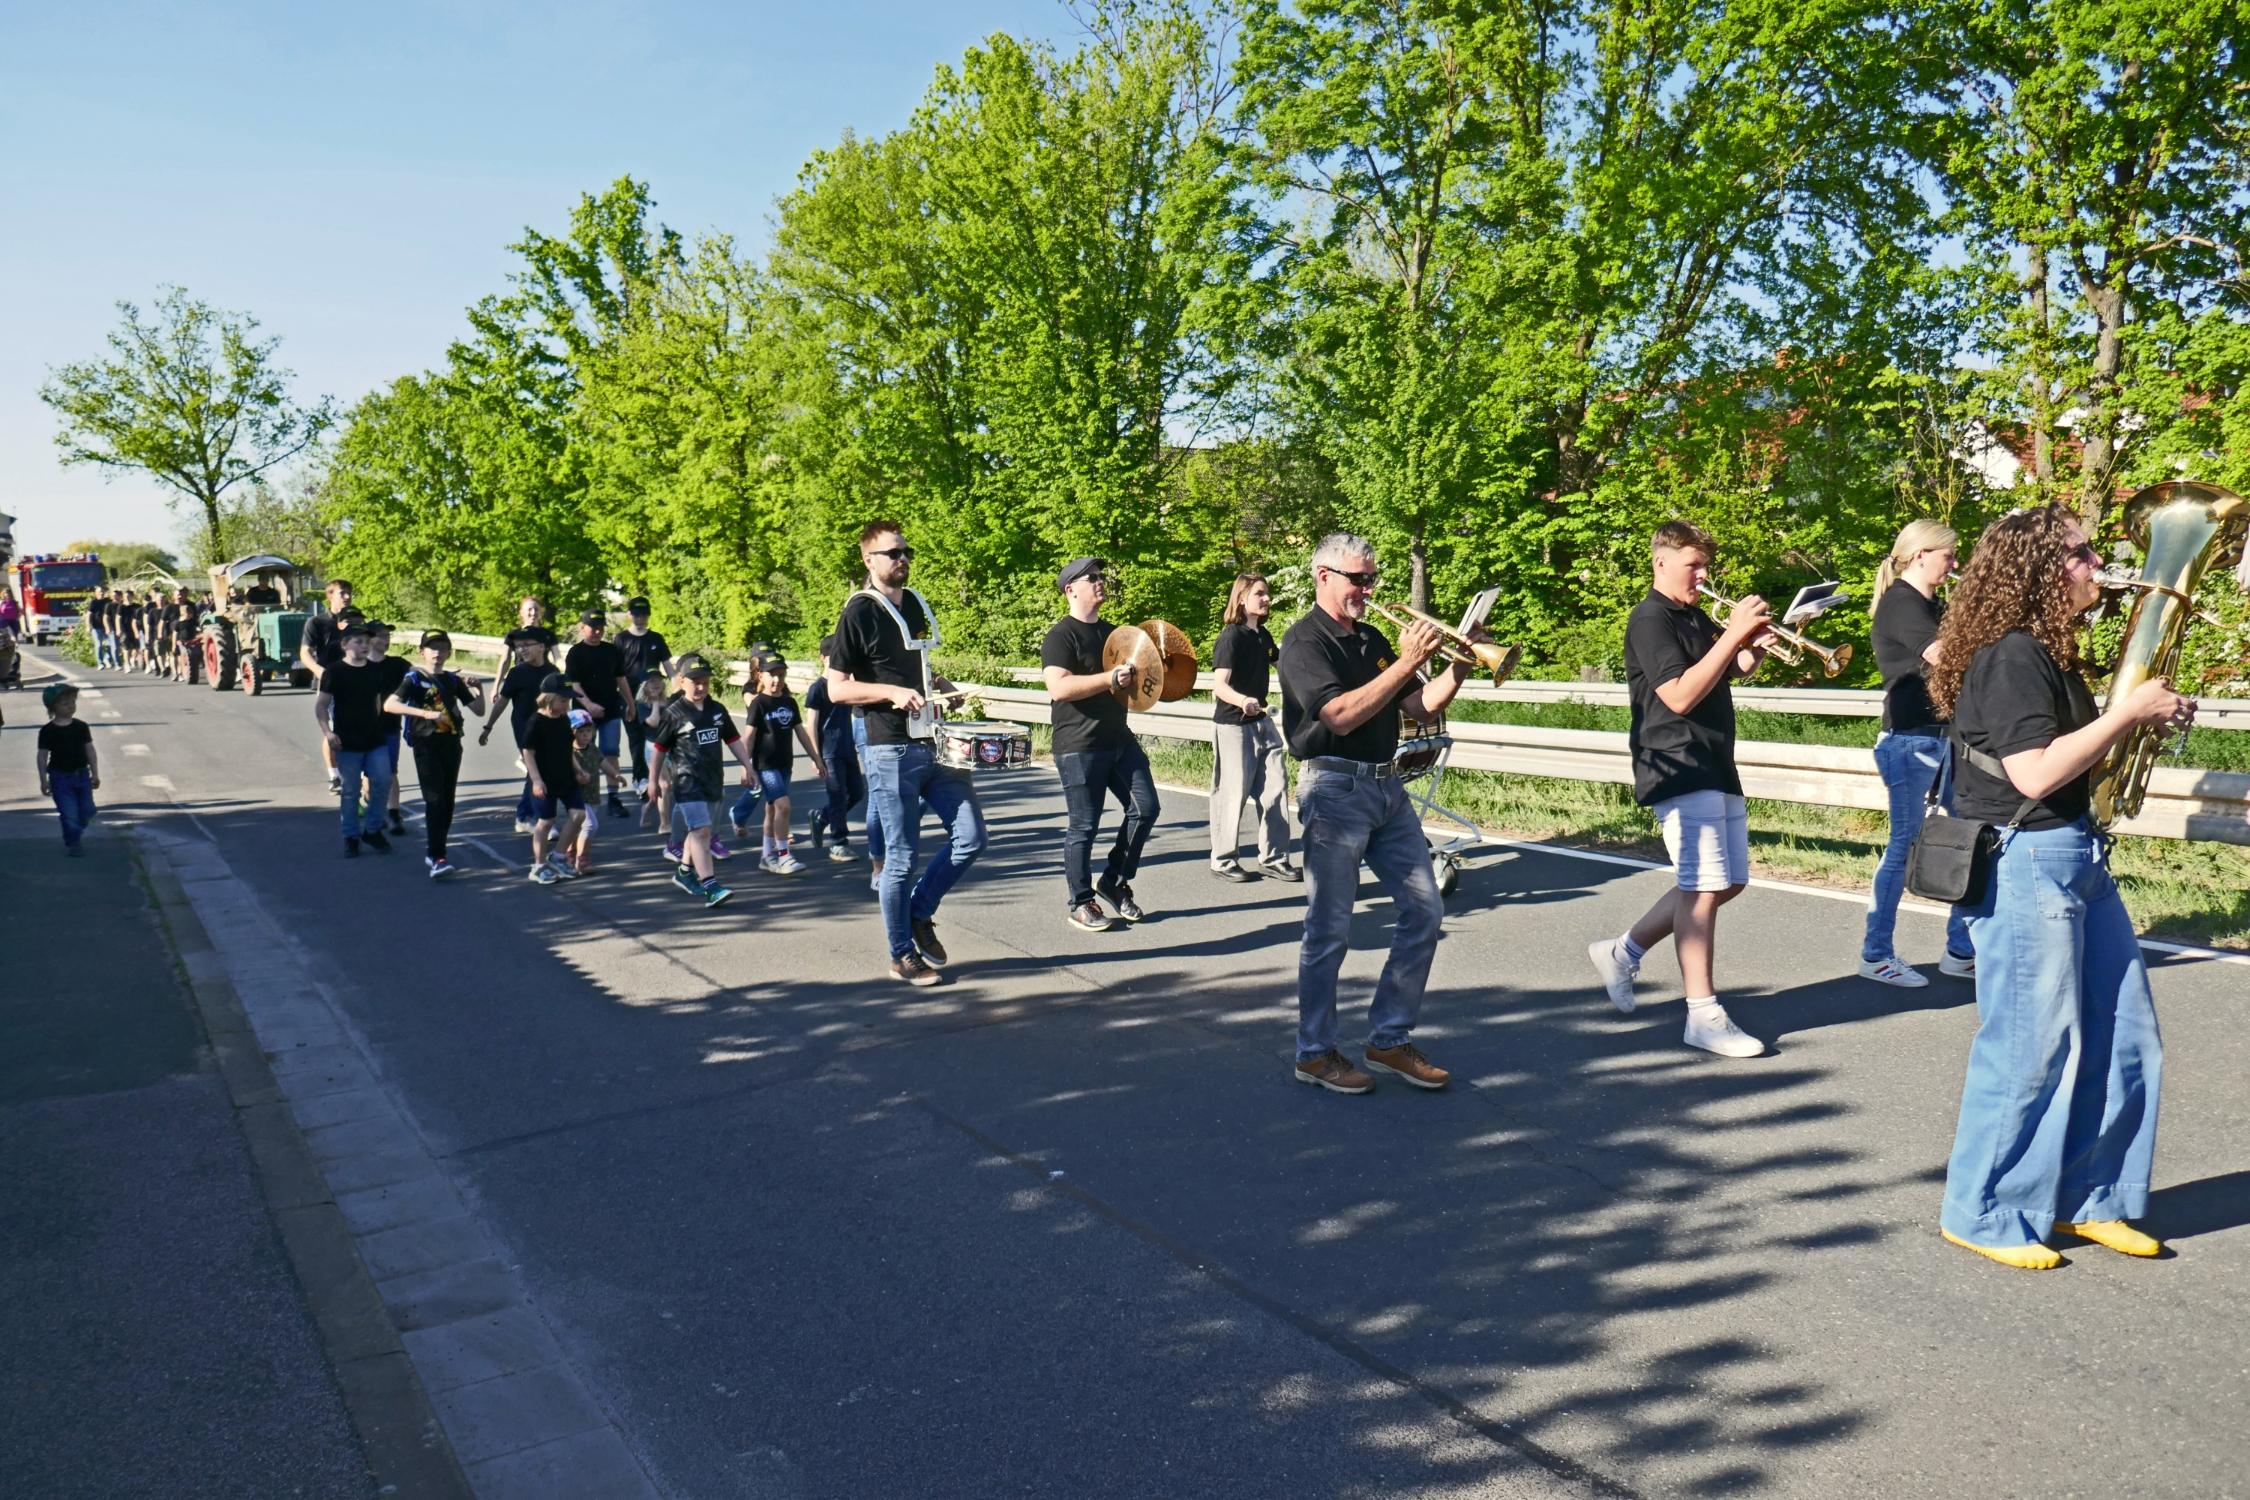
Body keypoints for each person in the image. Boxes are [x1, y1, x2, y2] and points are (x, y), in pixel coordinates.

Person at [1927, 504, 2190, 1271]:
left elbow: (2079, 761)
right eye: (2079, 553)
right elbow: (2035, 772)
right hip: (2023, 859)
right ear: (2040, 568)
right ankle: (1984, 1210)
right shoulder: (2009, 656)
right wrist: (2126, 711)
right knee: (2030, 1048)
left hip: (2073, 853)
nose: (2096, 563)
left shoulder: (2050, 652)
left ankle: (2088, 1198)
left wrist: (2146, 717)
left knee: (2124, 1035)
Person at [1277, 533, 1471, 1095]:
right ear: (1323, 576)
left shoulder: (1372, 638)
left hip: (1388, 787)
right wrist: (1408, 660)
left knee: (1424, 911)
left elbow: (1420, 706)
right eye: (1358, 578)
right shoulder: (1303, 642)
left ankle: (1389, 1038)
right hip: (1334, 788)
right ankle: (1314, 1053)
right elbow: (1338, 715)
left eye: (1372, 578)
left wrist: (1457, 662)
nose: (1368, 588)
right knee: (1330, 929)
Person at [1586, 520, 1774, 1059]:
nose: (1704, 575)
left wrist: (1752, 648)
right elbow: (1680, 695)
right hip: (1676, 761)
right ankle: (1702, 1014)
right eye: (1694, 565)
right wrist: (1733, 634)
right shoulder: (1649, 620)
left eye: (1706, 564)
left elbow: (1726, 671)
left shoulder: (1694, 615)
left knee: (1727, 883)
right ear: (1661, 563)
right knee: (1701, 887)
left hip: (1715, 759)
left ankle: (1622, 952)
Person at [825, 520, 987, 985]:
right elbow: (836, 690)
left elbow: (918, 666)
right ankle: (901, 953)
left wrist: (943, 686)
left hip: (934, 740)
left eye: (905, 551)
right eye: (892, 553)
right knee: (899, 858)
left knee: (971, 837)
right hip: (889, 747)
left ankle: (919, 912)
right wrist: (891, 694)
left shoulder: (914, 603)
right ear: (869, 560)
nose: (902, 559)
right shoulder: (858, 612)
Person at [1859, 519, 1976, 987]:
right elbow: (1945, 656)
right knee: (1905, 845)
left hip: (1944, 737)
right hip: (1910, 741)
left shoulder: (1934, 603)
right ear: (1921, 554)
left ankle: (1960, 950)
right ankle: (1876, 953)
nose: (1954, 564)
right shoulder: (1901, 604)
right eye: (1948, 555)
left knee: (1970, 835)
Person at [1041, 556, 1160, 930]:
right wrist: (1109, 679)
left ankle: (1113, 880)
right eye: (1090, 577)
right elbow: (1059, 686)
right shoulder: (1061, 636)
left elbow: (1141, 680)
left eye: (1100, 576)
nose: (1099, 581)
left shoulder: (1117, 636)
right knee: (1084, 826)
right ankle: (1080, 900)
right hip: (1079, 744)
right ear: (1070, 589)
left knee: (1146, 809)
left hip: (1118, 739)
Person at [1208, 571, 1297, 882]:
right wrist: (1242, 699)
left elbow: (1283, 665)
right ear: (1242, 598)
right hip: (1234, 724)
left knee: (1276, 787)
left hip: (1261, 721)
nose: (1267, 598)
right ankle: (1223, 859)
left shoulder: (1263, 635)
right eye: (1260, 593)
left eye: (1267, 593)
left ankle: (1273, 857)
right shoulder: (1230, 637)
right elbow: (1219, 685)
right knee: (1232, 793)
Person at [648, 653, 748, 908]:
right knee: (702, 831)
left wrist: (748, 766)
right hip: (686, 780)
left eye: (705, 681)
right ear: (681, 681)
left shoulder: (717, 710)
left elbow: (733, 740)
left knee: (698, 831)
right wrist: (652, 782)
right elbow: (659, 748)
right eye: (695, 682)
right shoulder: (674, 713)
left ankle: (684, 872)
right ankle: (711, 886)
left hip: (713, 779)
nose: (701, 687)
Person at [384, 630, 484, 879]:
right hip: (425, 744)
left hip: (451, 743)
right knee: (435, 799)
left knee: (447, 801)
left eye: (442, 648)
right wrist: (425, 714)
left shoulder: (453, 681)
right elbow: (390, 705)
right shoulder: (414, 678)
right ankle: (437, 855)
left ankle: (437, 850)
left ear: (449, 652)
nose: (437, 652)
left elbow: (479, 711)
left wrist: (480, 690)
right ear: (422, 652)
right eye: (432, 648)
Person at [315, 623, 396, 857]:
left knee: (382, 782)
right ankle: (351, 836)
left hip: (375, 739)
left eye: (367, 642)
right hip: (347, 742)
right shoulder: (334, 672)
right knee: (351, 790)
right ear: (344, 645)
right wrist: (328, 733)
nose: (364, 646)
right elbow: (321, 706)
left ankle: (372, 830)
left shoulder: (375, 670)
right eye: (358, 642)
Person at [743, 656, 826, 875]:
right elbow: (749, 737)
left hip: (784, 765)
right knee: (783, 806)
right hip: (765, 765)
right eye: (772, 675)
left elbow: (801, 733)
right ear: (761, 675)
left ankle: (766, 855)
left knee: (772, 810)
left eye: (781, 675)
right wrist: (746, 766)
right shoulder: (758, 703)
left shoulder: (789, 702)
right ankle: (783, 855)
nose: (777, 680)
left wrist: (817, 758)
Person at [477, 633, 555, 834]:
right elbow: (502, 701)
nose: (522, 650)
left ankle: (523, 815)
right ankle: (537, 818)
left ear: (542, 647)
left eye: (527, 645)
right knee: (537, 768)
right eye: (519, 647)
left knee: (538, 770)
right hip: (524, 726)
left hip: (548, 726)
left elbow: (562, 701)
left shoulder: (552, 672)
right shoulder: (517, 673)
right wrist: (488, 727)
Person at [563, 611, 633, 818]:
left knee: (611, 751)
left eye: (600, 627)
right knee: (585, 753)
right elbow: (572, 684)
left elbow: (621, 679)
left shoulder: (611, 651)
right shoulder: (575, 653)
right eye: (592, 627)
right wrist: (589, 705)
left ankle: (613, 798)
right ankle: (583, 797)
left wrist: (630, 703)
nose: (597, 631)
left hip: (611, 709)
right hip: (584, 714)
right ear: (582, 627)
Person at [803, 634, 863, 863]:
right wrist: (815, 756)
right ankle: (839, 843)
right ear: (823, 658)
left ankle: (821, 818)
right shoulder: (817, 689)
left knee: (857, 793)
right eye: (833, 657)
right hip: (828, 751)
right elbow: (812, 724)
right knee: (837, 796)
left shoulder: (845, 687)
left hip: (847, 747)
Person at [520, 684, 585, 885]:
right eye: (563, 701)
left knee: (579, 814)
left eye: (568, 701)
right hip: (544, 779)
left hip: (565, 776)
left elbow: (567, 748)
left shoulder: (564, 719)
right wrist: (537, 780)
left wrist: (578, 769)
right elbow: (528, 753)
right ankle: (538, 866)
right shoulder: (536, 721)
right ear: (549, 699)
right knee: (546, 822)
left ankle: (557, 857)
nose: (567, 705)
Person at [301, 579, 356, 792]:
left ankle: (359, 774)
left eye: (349, 593)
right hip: (330, 684)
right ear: (330, 596)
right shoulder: (317, 623)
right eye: (342, 593)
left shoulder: (356, 622)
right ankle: (334, 774)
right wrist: (320, 672)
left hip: (356, 681)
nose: (347, 597)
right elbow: (305, 653)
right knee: (334, 730)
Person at [615, 597, 673, 795]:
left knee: (657, 737)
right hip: (629, 696)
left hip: (653, 695)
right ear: (630, 614)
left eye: (644, 614)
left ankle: (658, 777)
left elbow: (668, 666)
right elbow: (616, 671)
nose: (641, 618)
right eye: (637, 614)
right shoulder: (621, 639)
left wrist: (678, 686)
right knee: (636, 739)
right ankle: (640, 778)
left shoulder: (656, 638)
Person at [36, 683, 100, 856]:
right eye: (65, 703)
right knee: (68, 812)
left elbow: (90, 750)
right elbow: (42, 756)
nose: (71, 706)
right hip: (59, 777)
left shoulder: (81, 726)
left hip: (81, 773)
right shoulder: (47, 731)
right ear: (53, 707)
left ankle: (74, 830)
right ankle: (74, 842)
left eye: (72, 702)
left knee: (87, 810)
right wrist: (43, 780)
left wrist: (95, 772)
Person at [366, 620, 411, 837]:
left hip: (390, 726)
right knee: (371, 773)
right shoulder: (359, 665)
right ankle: (374, 809)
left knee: (391, 771)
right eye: (380, 635)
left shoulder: (397, 664)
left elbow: (417, 674)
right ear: (369, 638)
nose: (386, 639)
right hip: (364, 728)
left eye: (387, 635)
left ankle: (394, 813)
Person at [568, 710, 606, 874]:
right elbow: (564, 774)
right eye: (581, 732)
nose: (586, 735)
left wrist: (616, 775)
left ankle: (569, 854)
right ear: (572, 733)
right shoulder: (570, 753)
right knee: (591, 826)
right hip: (577, 797)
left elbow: (603, 763)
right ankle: (582, 860)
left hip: (592, 795)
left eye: (588, 731)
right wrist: (577, 778)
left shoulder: (592, 748)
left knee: (577, 828)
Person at [87, 586, 117, 669]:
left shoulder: (108, 601)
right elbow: (88, 614)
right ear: (96, 593)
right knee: (99, 645)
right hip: (96, 627)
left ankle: (107, 659)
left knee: (109, 644)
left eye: (103, 591)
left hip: (106, 626)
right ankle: (100, 663)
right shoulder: (93, 602)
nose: (102, 593)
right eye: (100, 591)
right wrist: (88, 626)